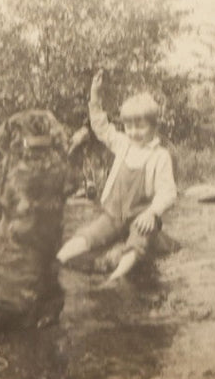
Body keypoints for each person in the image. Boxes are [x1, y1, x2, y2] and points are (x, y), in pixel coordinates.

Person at [57, 71, 178, 284]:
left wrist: (152, 213)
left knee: (137, 244)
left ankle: (114, 278)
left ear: (153, 126)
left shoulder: (160, 156)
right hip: (114, 214)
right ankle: (56, 261)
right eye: (128, 126)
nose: (133, 132)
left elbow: (168, 193)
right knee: (89, 235)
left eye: (140, 126)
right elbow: (101, 127)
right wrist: (95, 96)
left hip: (141, 218)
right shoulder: (124, 144)